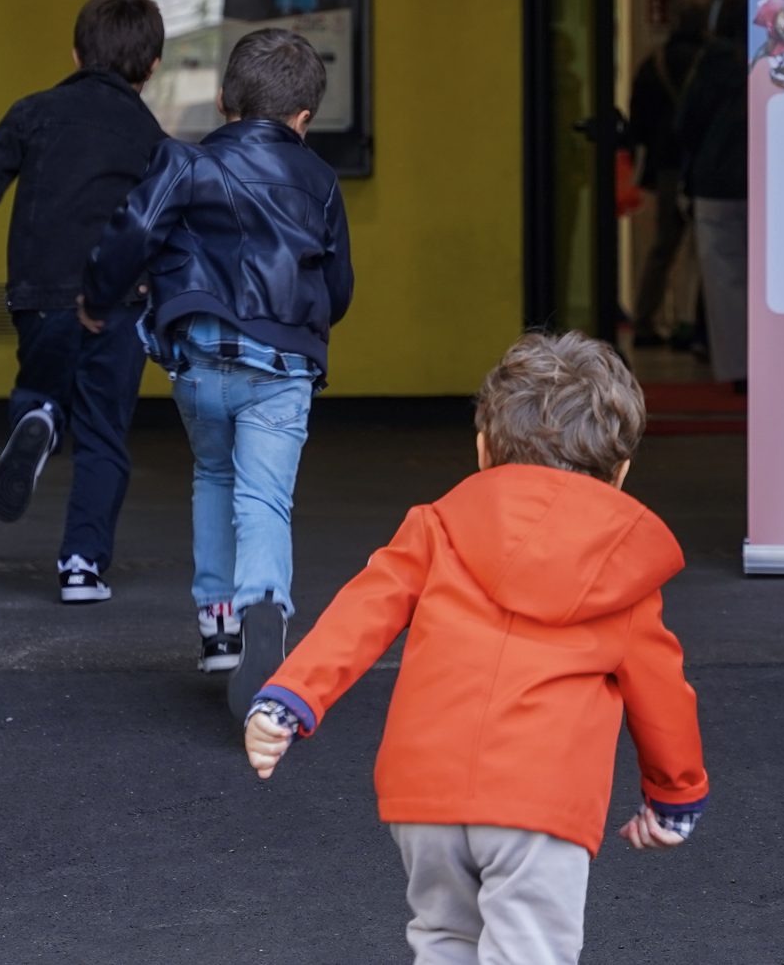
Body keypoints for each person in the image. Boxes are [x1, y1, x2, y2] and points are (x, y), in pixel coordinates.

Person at [241, 331, 708, 965]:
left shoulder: (436, 528)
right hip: (542, 799)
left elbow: (361, 613)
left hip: (426, 790)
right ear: (620, 474)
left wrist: (288, 700)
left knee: (442, 942)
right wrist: (674, 795)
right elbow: (662, 695)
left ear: (484, 451)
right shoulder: (621, 571)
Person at [83, 28, 352, 706]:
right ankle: (264, 600)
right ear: (303, 120)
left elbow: (136, 230)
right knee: (264, 498)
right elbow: (340, 287)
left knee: (211, 471)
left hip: (202, 360)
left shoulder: (188, 162)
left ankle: (219, 626)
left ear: (224, 101)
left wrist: (97, 297)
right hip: (283, 363)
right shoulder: (319, 181)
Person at [0, 0, 166, 604]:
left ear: (76, 53)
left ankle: (41, 416)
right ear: (153, 67)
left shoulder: (34, 113)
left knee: (45, 382)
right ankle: (82, 566)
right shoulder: (151, 136)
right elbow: (161, 222)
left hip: (39, 294)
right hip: (119, 302)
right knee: (105, 434)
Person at [677, 0, 752, 391]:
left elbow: (687, 123)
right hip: (764, 182)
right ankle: (773, 361)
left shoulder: (711, 63)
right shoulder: (773, 58)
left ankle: (740, 368)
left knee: (724, 279)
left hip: (715, 183)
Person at [625, 0, 711, 349]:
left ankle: (645, 320)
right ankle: (695, 326)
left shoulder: (655, 62)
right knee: (707, 248)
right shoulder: (710, 63)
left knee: (664, 246)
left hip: (666, 166)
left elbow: (638, 118)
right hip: (704, 165)